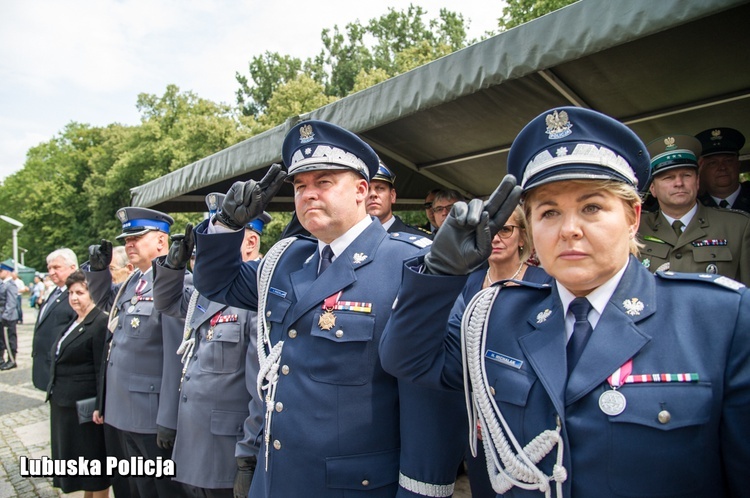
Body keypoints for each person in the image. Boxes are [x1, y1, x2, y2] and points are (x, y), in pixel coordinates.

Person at [380, 106, 750, 497]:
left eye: (591, 207)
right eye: (549, 212)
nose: (569, 230)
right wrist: (440, 273)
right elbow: (406, 359)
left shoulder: (719, 318)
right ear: (532, 226)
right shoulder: (494, 315)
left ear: (633, 216)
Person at [192, 120, 432, 497]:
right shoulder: (286, 260)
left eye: (324, 182)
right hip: (277, 478)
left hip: (352, 488)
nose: (308, 195)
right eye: (301, 186)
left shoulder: (409, 265)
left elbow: (428, 402)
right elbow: (217, 283)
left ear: (361, 191)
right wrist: (225, 226)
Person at [152, 203, 270, 498]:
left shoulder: (260, 295)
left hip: (227, 449)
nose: (207, 251)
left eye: (220, 239)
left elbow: (260, 387)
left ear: (250, 242)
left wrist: (248, 456)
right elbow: (166, 303)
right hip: (194, 442)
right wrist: (173, 268)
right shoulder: (206, 293)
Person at [448, 205, 551, 498]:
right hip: (474, 419)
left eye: (505, 230)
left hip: (526, 418)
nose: (495, 237)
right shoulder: (467, 283)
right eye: (487, 231)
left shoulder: (546, 283)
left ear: (523, 238)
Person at [85, 207, 189, 497]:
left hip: (150, 414)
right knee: (137, 487)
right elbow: (108, 305)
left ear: (161, 242)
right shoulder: (135, 280)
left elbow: (175, 357)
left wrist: (168, 417)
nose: (129, 244)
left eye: (137, 237)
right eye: (127, 239)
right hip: (123, 410)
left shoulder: (174, 282)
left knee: (160, 490)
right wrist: (98, 271)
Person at [638, 134, 750, 285]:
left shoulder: (738, 226)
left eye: (686, 175)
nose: (678, 183)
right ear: (653, 188)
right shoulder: (636, 228)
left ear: (697, 182)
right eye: (668, 178)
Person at [46, 270, 110, 497]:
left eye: (80, 293)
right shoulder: (75, 320)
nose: (74, 298)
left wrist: (99, 405)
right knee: (81, 468)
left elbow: (100, 369)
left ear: (92, 293)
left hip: (85, 407)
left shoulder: (99, 322)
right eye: (71, 293)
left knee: (94, 466)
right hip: (64, 403)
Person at [32, 249, 79, 389]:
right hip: (47, 364)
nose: (51, 272)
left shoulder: (77, 293)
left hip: (62, 369)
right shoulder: (57, 290)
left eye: (56, 267)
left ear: (73, 268)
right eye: (49, 268)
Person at [367, 160, 433, 238]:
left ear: (392, 196)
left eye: (380, 188)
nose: (373, 194)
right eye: (367, 189)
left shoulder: (422, 238)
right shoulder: (351, 238)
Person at [696, 127, 749, 213]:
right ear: (701, 169)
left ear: (738, 164)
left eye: (728, 161)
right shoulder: (693, 206)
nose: (722, 167)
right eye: (713, 163)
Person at [0, 263, 20, 370]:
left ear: (7, 272)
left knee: (9, 339)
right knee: (1, 340)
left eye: (0, 271)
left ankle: (12, 360)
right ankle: (1, 359)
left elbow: (11, 303)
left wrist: (5, 317)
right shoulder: (2, 284)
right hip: (1, 315)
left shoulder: (11, 285)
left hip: (8, 317)